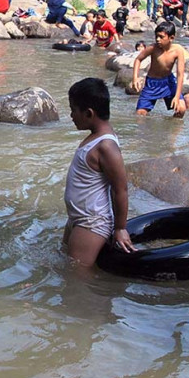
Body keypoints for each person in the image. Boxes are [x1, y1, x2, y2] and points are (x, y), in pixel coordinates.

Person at [63, 77, 135, 268]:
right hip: (79, 218)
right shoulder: (95, 138)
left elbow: (120, 189)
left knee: (77, 277)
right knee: (65, 263)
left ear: (88, 113)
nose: (71, 115)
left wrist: (120, 228)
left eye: (73, 110)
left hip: (92, 223)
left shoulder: (106, 146)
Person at [131, 21, 187, 117]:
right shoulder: (153, 48)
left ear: (171, 38)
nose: (157, 39)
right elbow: (138, 59)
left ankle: (171, 129)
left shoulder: (178, 50)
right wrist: (135, 78)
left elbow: (180, 74)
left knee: (181, 109)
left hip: (168, 82)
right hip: (152, 84)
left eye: (161, 37)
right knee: (140, 114)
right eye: (156, 36)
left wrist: (177, 96)